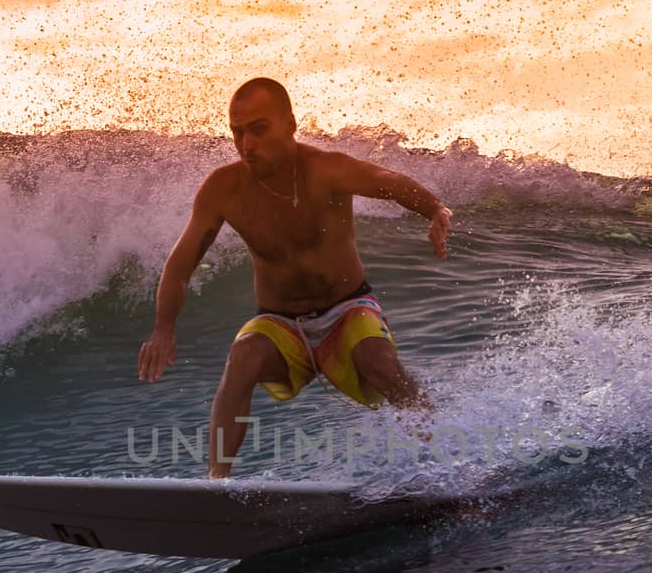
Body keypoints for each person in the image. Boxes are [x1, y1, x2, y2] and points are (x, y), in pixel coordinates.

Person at [137, 77, 452, 478]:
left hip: (348, 310)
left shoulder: (327, 169)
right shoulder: (223, 189)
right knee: (244, 355)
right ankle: (216, 484)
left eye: (259, 129)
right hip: (281, 323)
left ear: (290, 124)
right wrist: (163, 328)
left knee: (376, 359)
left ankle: (447, 466)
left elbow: (389, 183)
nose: (246, 144)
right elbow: (180, 265)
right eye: (237, 132)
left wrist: (436, 211)